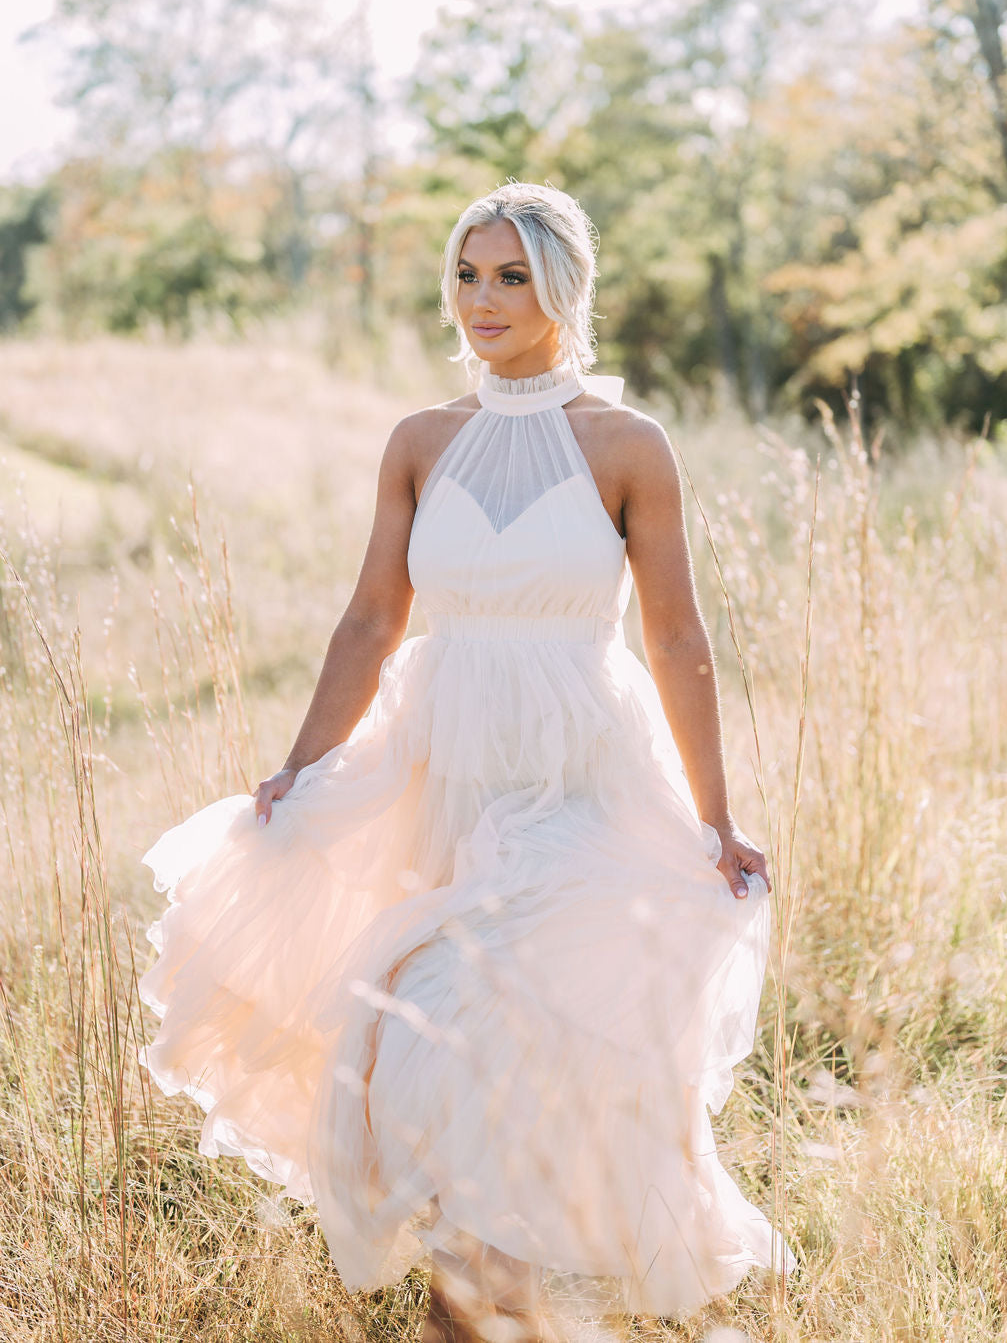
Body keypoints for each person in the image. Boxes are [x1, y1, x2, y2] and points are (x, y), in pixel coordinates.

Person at [138, 182, 793, 1342]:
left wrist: (714, 817)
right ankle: (488, 1309)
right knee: (415, 1049)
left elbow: (677, 636)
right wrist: (296, 771)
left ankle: (475, 1318)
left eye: (511, 277)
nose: (482, 298)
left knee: (488, 1028)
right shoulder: (421, 440)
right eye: (466, 273)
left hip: (577, 781)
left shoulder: (626, 446)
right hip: (437, 776)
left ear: (563, 290)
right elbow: (368, 622)